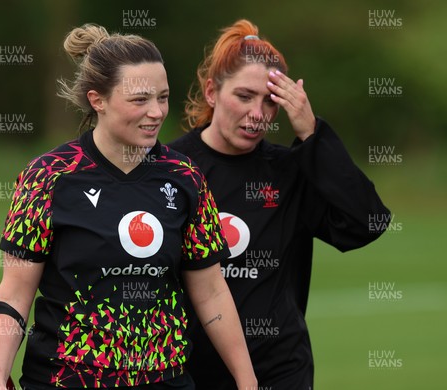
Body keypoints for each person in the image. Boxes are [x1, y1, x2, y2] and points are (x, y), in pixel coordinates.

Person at [0, 23, 257, 390]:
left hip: (164, 380)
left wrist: (247, 380)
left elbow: (211, 291)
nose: (157, 112)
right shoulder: (47, 176)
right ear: (98, 100)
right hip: (64, 380)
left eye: (162, 97)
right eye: (139, 99)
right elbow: (15, 291)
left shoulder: (185, 177)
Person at [167, 19, 391, 389]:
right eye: (244, 96)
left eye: (270, 101)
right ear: (211, 92)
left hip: (279, 372)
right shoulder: (170, 169)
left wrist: (312, 134)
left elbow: (366, 223)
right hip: (189, 375)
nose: (258, 114)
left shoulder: (288, 171)